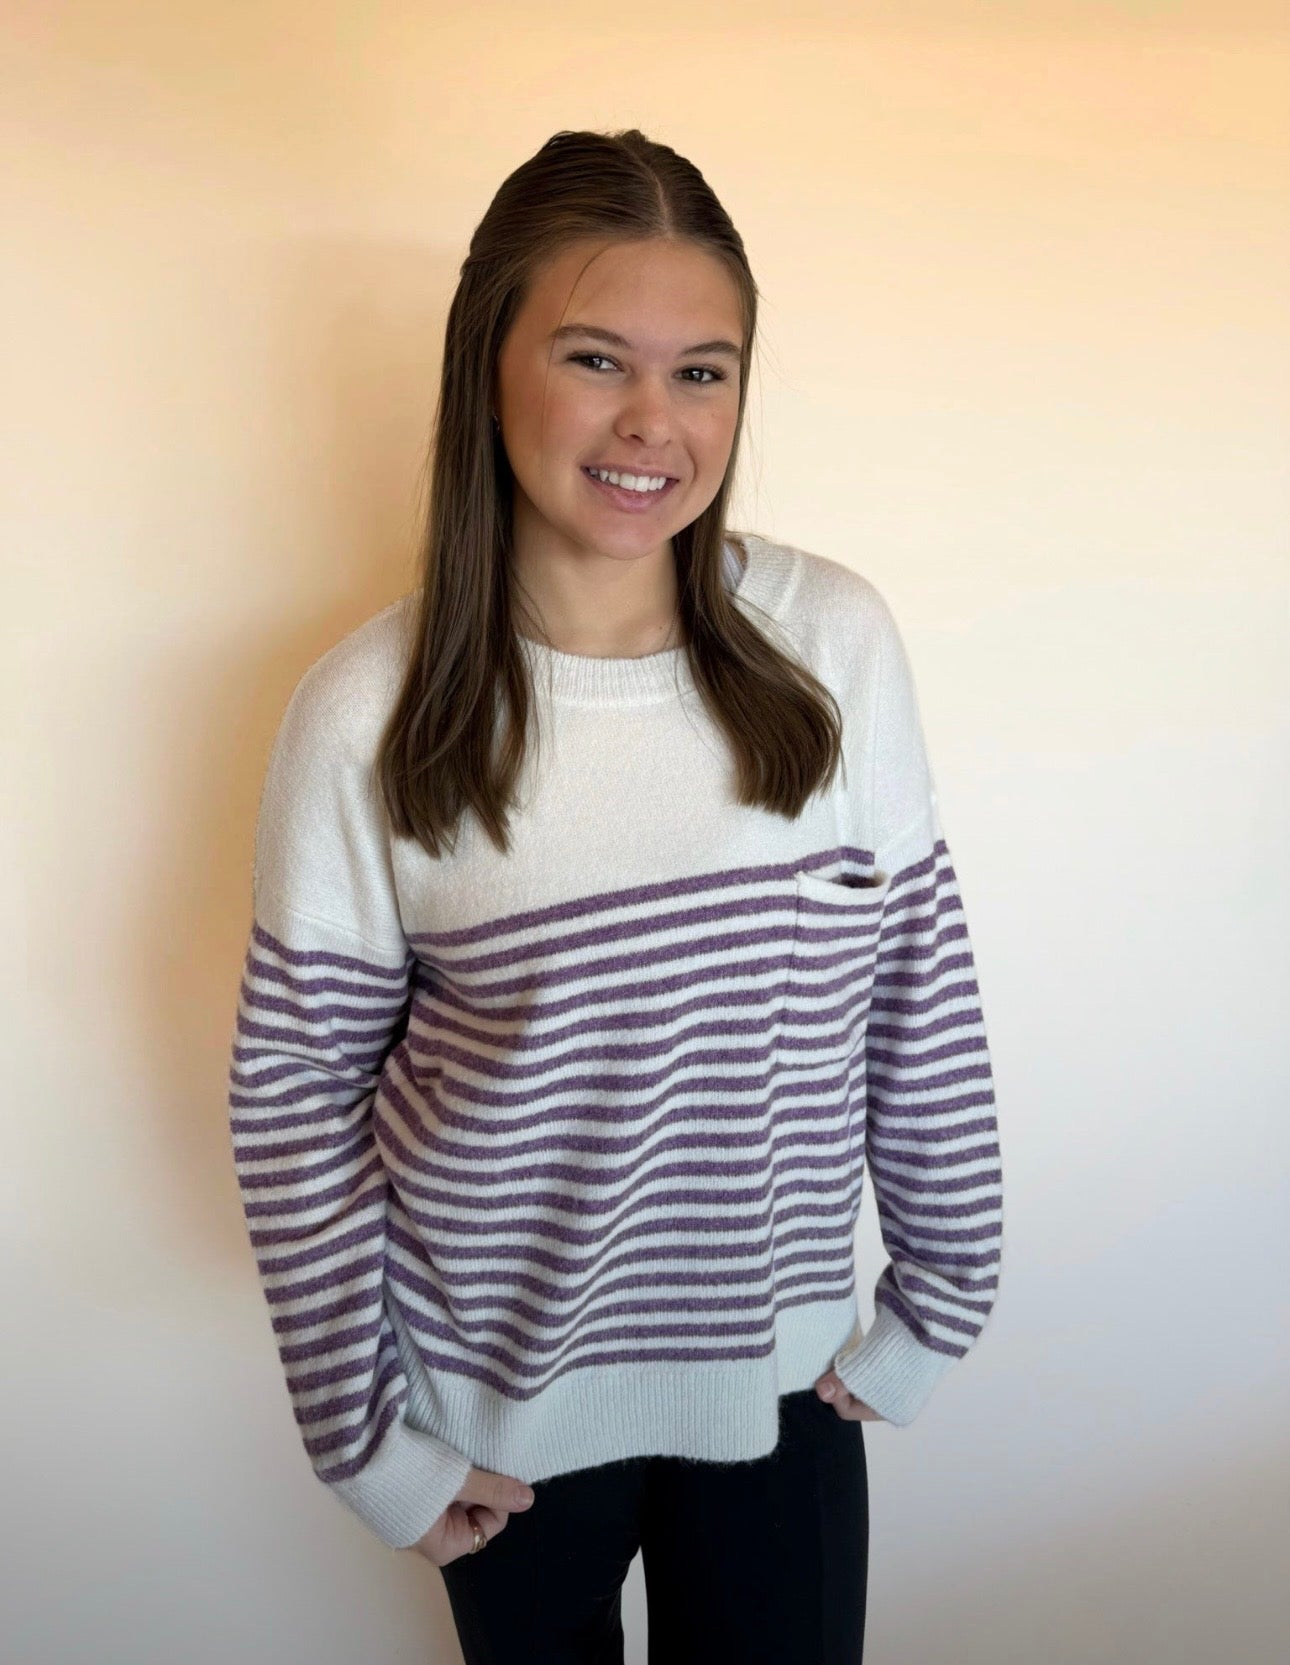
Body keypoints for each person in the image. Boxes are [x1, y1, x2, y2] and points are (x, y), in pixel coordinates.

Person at [225, 127, 1004, 1664]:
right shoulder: (364, 713)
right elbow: (293, 1092)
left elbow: (919, 986)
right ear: (486, 367)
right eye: (596, 357)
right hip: (497, 1420)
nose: (653, 420)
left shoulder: (831, 643)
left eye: (702, 371)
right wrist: (369, 1440)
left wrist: (940, 1297)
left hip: (780, 1391)